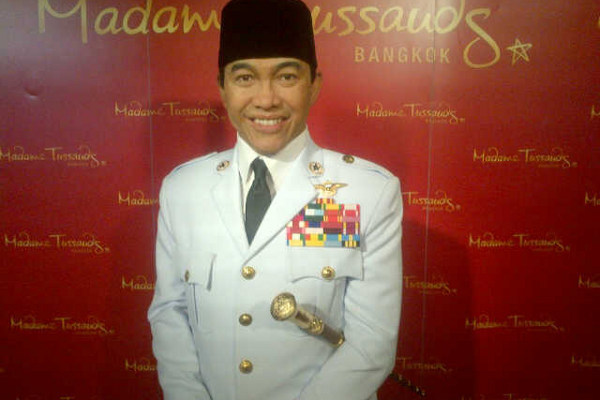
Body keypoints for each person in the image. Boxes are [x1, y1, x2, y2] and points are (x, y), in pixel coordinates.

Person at [147, 0, 403, 399]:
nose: (265, 99)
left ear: (314, 84)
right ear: (222, 87)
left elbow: (371, 343)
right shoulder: (183, 189)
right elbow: (170, 313)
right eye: (244, 77)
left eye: (286, 76)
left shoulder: (364, 192)